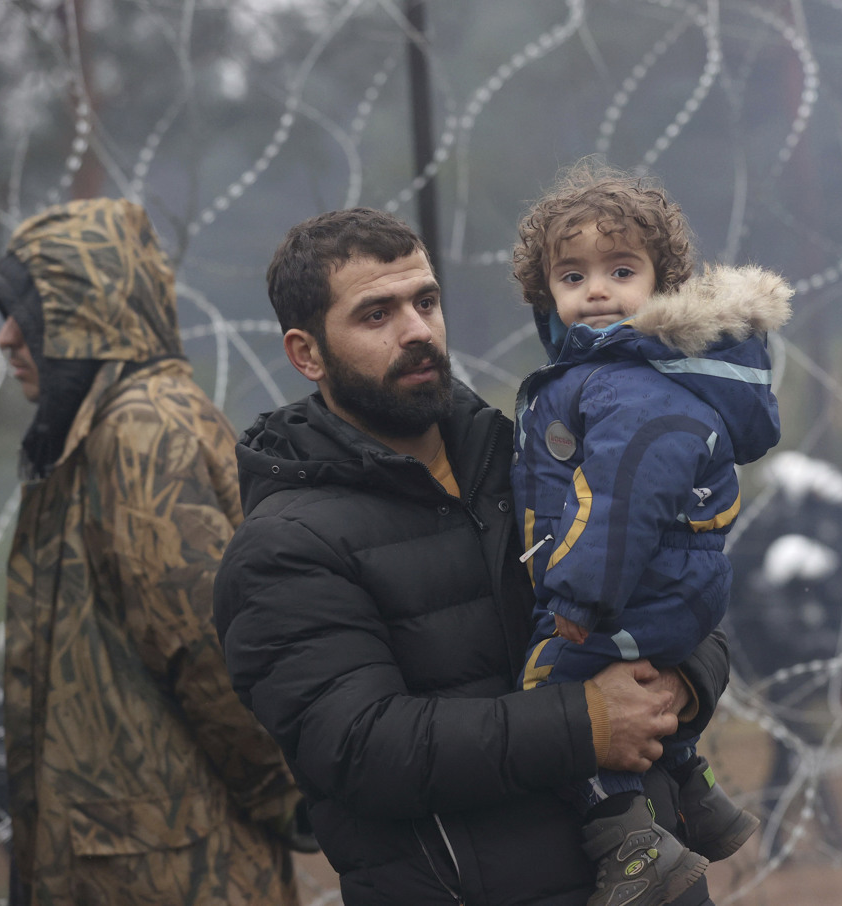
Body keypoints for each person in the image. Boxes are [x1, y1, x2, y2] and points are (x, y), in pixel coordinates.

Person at [212, 206, 731, 905]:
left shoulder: (532, 456)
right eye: (376, 315)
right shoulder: (285, 548)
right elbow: (362, 748)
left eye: (425, 301)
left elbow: (677, 586)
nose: (417, 330)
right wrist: (588, 724)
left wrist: (681, 686)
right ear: (307, 354)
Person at [0, 198, 309, 906]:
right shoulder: (97, 429)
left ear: (87, 314)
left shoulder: (144, 431)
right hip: (128, 860)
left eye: (29, 312)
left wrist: (280, 794)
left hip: (176, 871)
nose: (6, 338)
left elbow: (209, 648)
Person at [508, 161, 791, 904]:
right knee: (630, 690)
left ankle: (629, 842)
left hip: (627, 591)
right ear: (548, 296)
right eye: (572, 277)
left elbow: (618, 503)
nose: (595, 290)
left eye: (620, 270)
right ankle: (691, 788)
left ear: (664, 287)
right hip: (668, 591)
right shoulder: (628, 373)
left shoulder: (628, 384)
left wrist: (573, 597)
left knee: (551, 697)